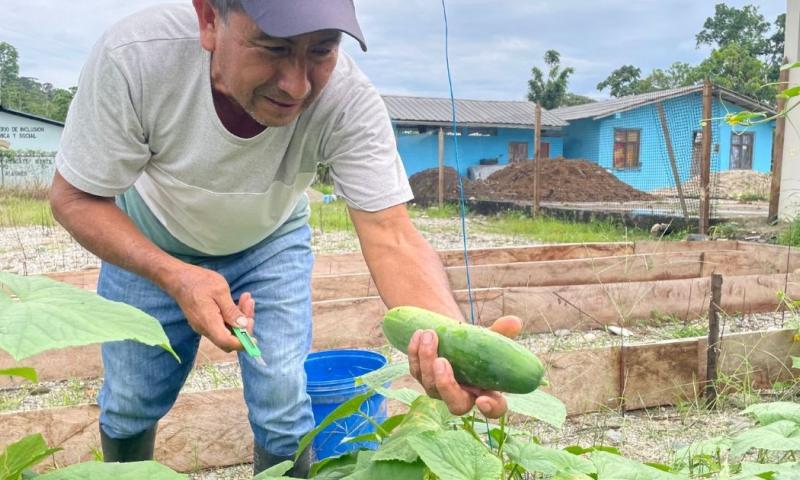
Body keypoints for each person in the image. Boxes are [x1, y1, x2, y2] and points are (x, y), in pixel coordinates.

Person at [49, 0, 517, 476]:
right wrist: (174, 275)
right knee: (131, 397)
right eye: (272, 47)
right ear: (210, 19)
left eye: (321, 50)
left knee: (282, 397)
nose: (298, 84)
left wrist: (451, 347)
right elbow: (74, 198)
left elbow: (391, 234)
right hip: (153, 240)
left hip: (270, 243)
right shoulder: (139, 58)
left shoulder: (346, 99)